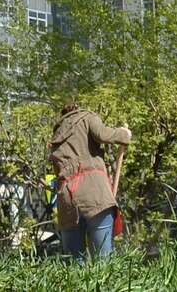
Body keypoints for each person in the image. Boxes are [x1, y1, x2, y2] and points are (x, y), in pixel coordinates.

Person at [48, 104, 130, 261]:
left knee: (73, 266)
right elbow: (102, 134)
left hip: (67, 200)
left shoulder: (57, 134)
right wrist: (123, 134)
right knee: (103, 262)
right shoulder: (87, 117)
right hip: (95, 195)